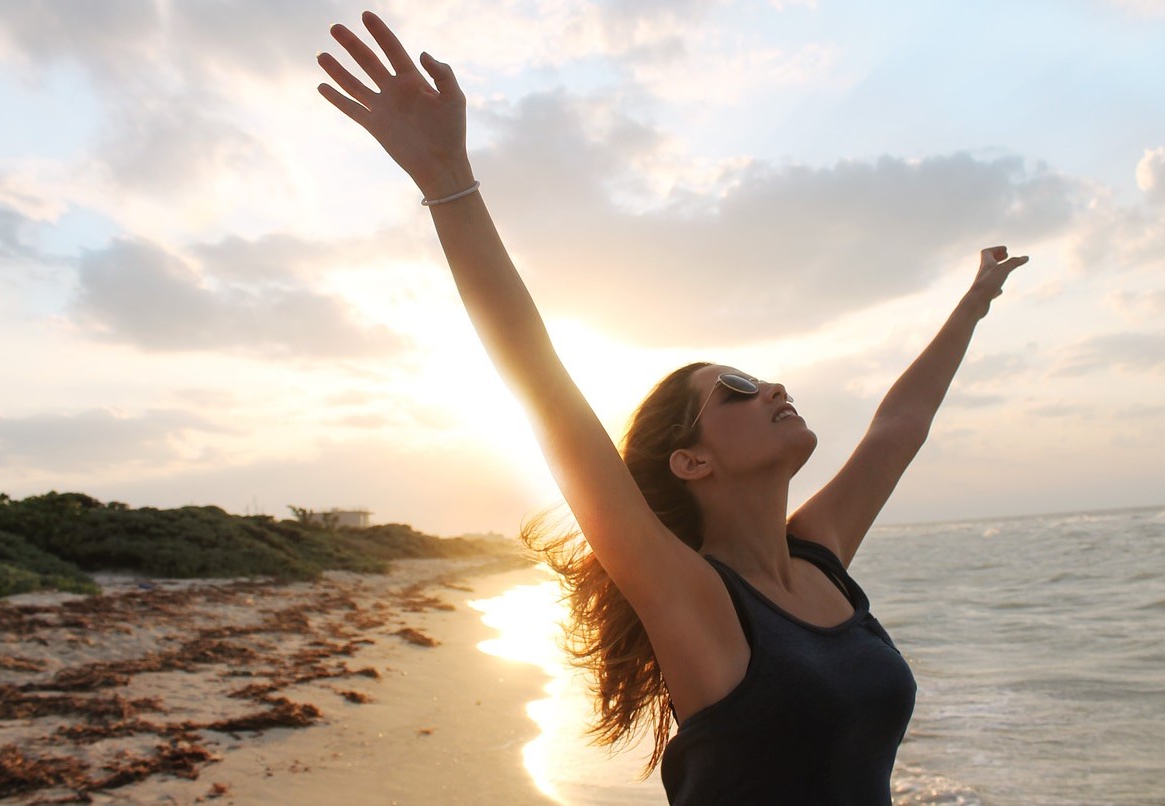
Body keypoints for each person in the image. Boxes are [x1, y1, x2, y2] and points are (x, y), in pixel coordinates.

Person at [316, 12, 1029, 804]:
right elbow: (544, 388)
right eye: (735, 390)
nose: (771, 388)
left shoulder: (819, 559)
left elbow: (898, 429)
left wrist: (971, 306)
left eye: (759, 378)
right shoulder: (692, 596)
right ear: (691, 462)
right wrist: (448, 179)